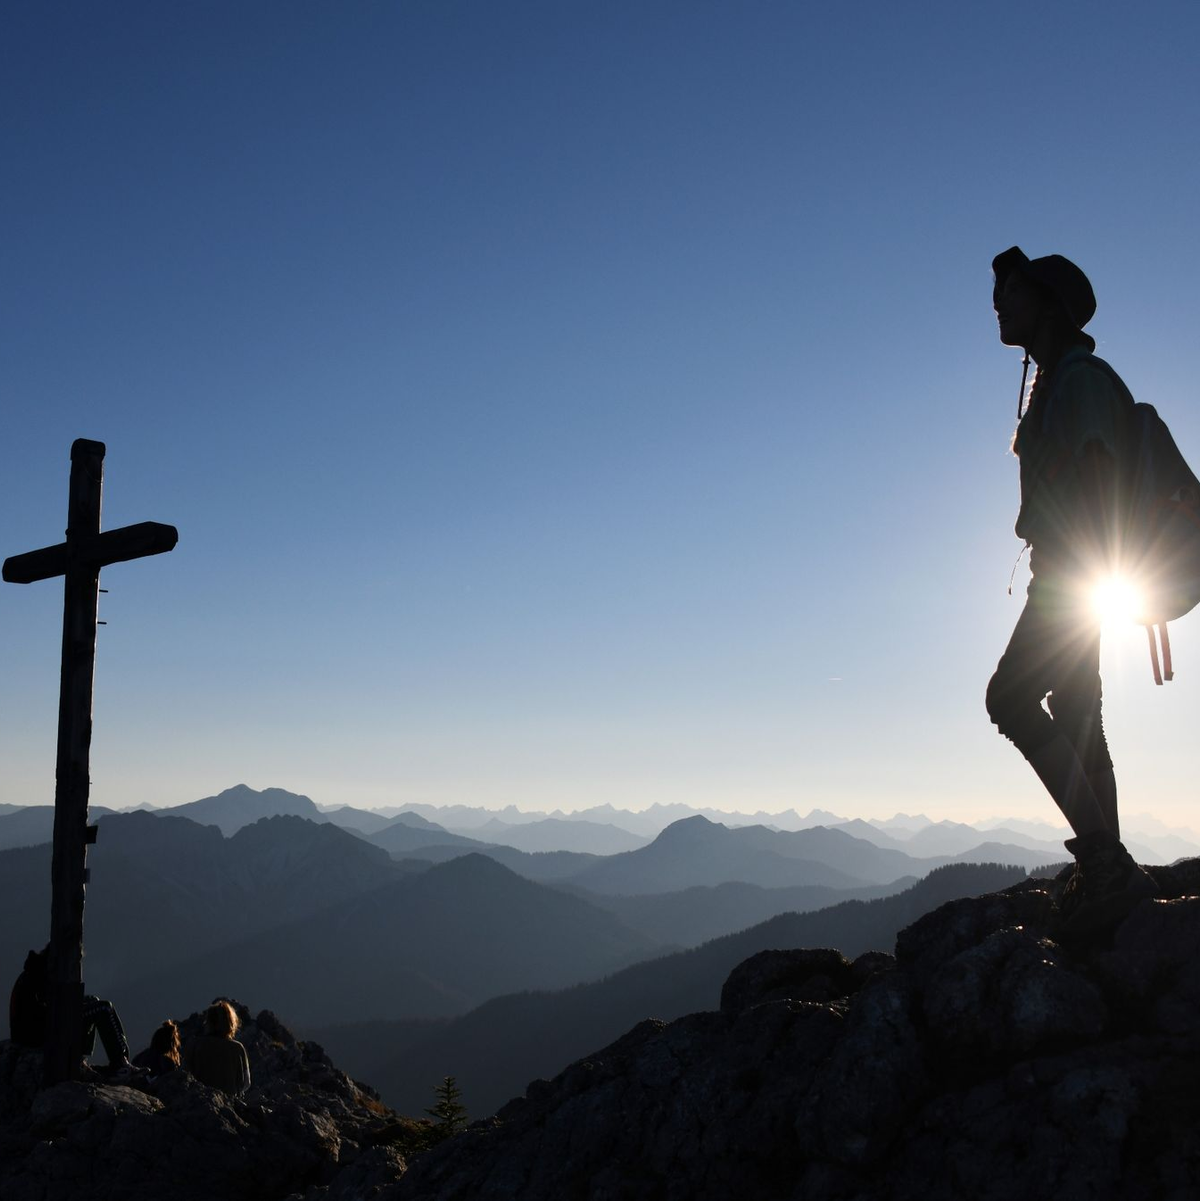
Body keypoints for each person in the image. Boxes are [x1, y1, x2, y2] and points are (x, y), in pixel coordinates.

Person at [986, 247, 1157, 934]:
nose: (1000, 302)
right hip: (1077, 574)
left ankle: (1106, 859)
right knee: (1076, 704)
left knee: (1010, 697)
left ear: (1050, 305)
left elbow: (1095, 478)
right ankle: (1108, 869)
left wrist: (1082, 577)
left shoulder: (1079, 381)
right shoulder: (1058, 381)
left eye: (1014, 292)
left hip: (1074, 575)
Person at [9, 944, 145, 1081]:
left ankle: (91, 1060)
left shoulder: (37, 970)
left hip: (38, 1028)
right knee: (103, 1008)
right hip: (36, 1034)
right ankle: (120, 1063)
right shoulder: (39, 975)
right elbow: (47, 1009)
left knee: (93, 1001)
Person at [184, 1000, 251, 1095]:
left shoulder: (195, 1044)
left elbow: (184, 1074)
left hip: (198, 1099)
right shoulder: (237, 1048)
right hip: (227, 1103)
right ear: (231, 1022)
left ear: (208, 1021)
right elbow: (246, 1083)